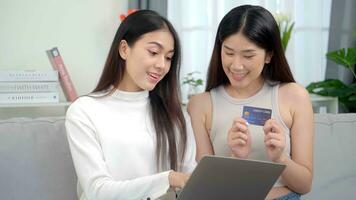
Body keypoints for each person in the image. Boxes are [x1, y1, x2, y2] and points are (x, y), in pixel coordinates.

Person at [65, 10, 196, 200]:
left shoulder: (176, 115)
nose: (162, 65)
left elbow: (190, 181)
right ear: (124, 49)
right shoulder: (84, 111)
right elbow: (97, 191)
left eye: (168, 57)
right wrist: (167, 179)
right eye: (153, 52)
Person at [188, 5, 313, 200]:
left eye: (248, 56)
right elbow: (205, 187)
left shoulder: (295, 96)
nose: (236, 65)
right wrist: (235, 158)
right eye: (229, 53)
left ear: (269, 55)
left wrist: (280, 158)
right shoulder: (200, 104)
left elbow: (304, 185)